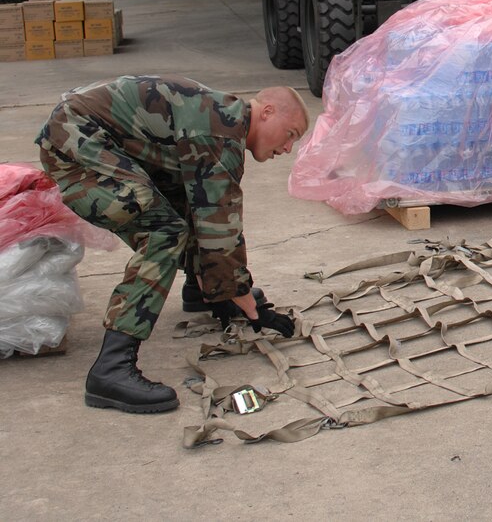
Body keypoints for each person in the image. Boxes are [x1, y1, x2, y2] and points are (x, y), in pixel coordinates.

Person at [36, 75, 309, 413]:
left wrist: (226, 291)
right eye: (290, 135)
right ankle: (111, 369)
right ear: (267, 112)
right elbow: (218, 225)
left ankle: (202, 291)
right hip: (76, 145)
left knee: (186, 198)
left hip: (92, 136)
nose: (287, 149)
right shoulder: (219, 130)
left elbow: (205, 208)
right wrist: (247, 304)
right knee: (164, 231)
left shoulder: (224, 119)